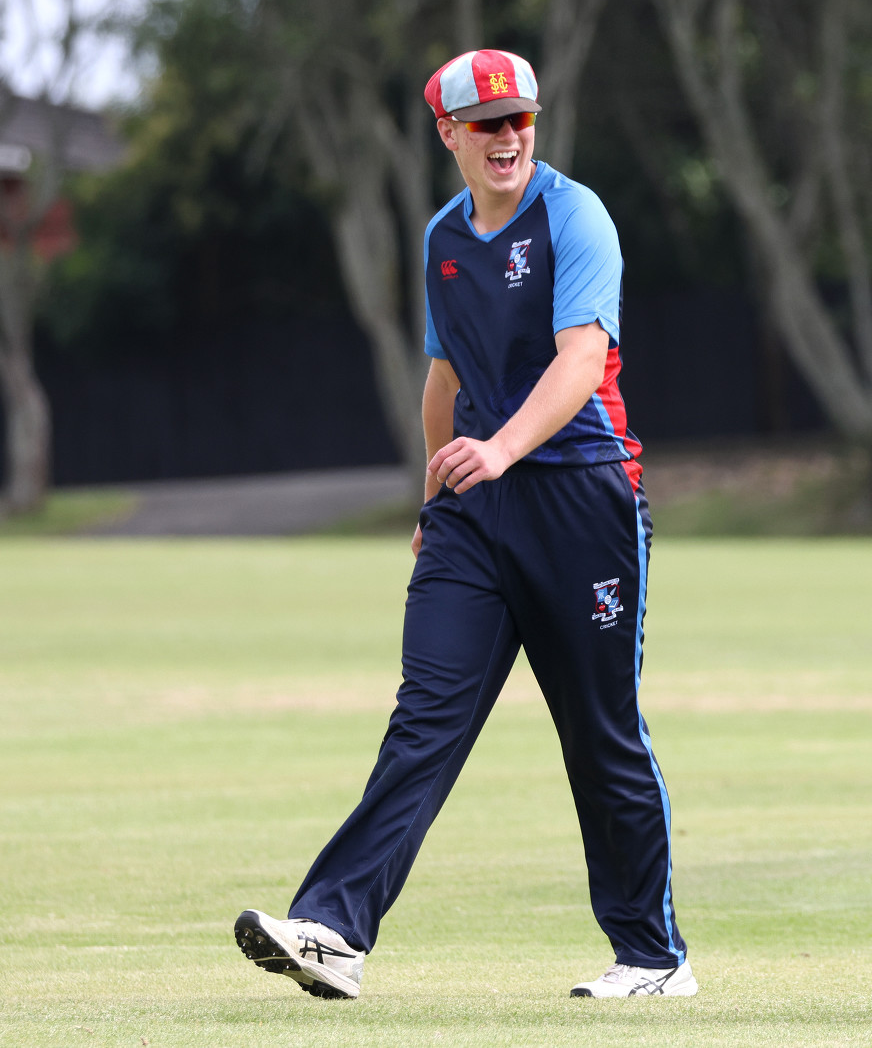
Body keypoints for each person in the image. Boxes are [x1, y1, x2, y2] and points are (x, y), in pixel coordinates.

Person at [233, 49, 693, 1001]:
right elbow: (443, 379)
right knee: (424, 720)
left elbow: (580, 361)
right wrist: (436, 497)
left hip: (584, 500)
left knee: (600, 732)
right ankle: (334, 930)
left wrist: (501, 450)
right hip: (476, 512)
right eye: (486, 124)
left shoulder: (576, 215)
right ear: (449, 133)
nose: (508, 136)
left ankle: (653, 958)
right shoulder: (444, 236)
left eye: (519, 118)